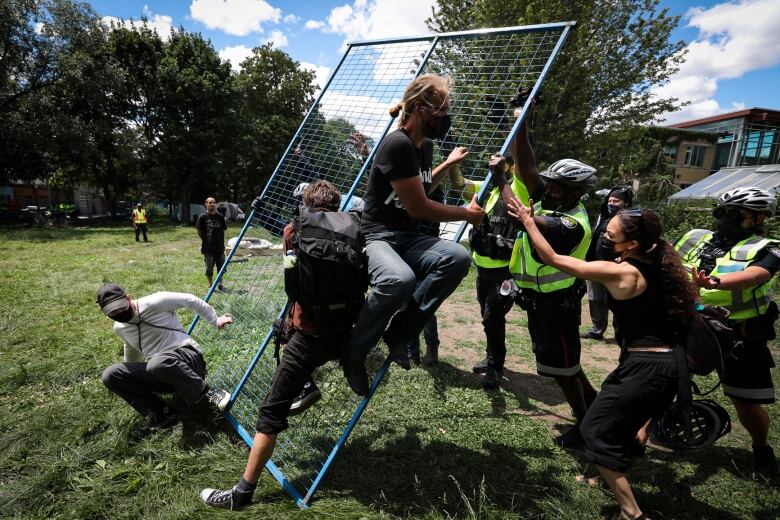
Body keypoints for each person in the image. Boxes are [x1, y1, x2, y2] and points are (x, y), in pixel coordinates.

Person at [511, 203, 697, 520]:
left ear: (632, 243)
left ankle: (632, 513)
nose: (605, 239)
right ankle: (601, 470)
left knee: (594, 431)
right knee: (618, 424)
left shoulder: (623, 271)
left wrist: (529, 222)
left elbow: (554, 260)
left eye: (610, 236)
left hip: (647, 368)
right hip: (666, 365)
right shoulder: (662, 262)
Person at [200, 180, 362, 510]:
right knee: (289, 329)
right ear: (336, 204)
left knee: (270, 413)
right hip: (346, 332)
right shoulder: (355, 230)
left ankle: (242, 493)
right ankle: (344, 367)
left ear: (307, 203)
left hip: (308, 336)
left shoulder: (293, 230)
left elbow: (292, 283)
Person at [342, 74, 485, 396]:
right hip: (377, 235)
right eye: (442, 111)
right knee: (399, 280)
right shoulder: (397, 144)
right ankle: (354, 351)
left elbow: (421, 187)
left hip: (406, 236)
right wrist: (467, 214)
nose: (446, 118)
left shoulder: (424, 147)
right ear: (420, 108)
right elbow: (418, 206)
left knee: (457, 257)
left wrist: (447, 164)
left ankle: (400, 334)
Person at [503, 129, 599, 447]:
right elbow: (527, 166)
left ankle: (585, 426)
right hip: (540, 303)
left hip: (558, 305)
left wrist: (501, 180)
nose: (551, 189)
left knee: (563, 370)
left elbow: (521, 219)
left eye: (560, 186)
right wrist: (522, 119)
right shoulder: (551, 201)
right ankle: (593, 402)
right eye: (551, 183)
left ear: (575, 192)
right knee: (566, 363)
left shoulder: (572, 223)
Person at [675, 187, 779, 475]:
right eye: (721, 211)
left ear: (758, 218)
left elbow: (757, 275)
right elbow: (664, 257)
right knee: (662, 383)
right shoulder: (695, 237)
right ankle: (636, 443)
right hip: (689, 326)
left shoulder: (768, 247)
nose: (724, 218)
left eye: (735, 214)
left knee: (745, 400)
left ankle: (761, 447)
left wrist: (715, 283)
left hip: (738, 334)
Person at [454, 110, 531, 390]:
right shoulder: (487, 189)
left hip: (505, 271)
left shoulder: (518, 188)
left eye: (505, 161)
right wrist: (453, 162)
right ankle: (491, 358)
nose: (499, 164)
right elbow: (459, 185)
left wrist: (518, 123)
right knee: (488, 318)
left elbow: (521, 164)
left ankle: (496, 368)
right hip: (483, 268)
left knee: (492, 317)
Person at [97, 283, 233, 430]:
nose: (119, 314)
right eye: (112, 313)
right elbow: (131, 348)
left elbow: (190, 300)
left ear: (128, 298)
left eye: (121, 308)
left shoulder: (155, 302)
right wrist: (129, 377)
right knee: (110, 374)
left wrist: (216, 320)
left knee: (157, 363)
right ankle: (161, 412)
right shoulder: (119, 327)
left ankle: (207, 394)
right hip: (161, 372)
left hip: (188, 360)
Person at [582, 186, 634, 340]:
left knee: (618, 301)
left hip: (617, 267)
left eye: (616, 201)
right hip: (597, 265)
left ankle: (621, 333)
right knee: (596, 298)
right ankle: (597, 330)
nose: (611, 203)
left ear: (625, 203)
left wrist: (625, 258)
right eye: (610, 200)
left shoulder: (630, 220)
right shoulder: (602, 216)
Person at [197, 197, 228, 291]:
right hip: (208, 248)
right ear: (206, 204)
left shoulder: (220, 217)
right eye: (210, 203)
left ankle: (220, 284)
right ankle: (210, 285)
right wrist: (205, 240)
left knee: (221, 268)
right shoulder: (202, 217)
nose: (212, 204)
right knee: (209, 268)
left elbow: (223, 230)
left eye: (214, 203)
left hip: (220, 248)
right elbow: (199, 231)